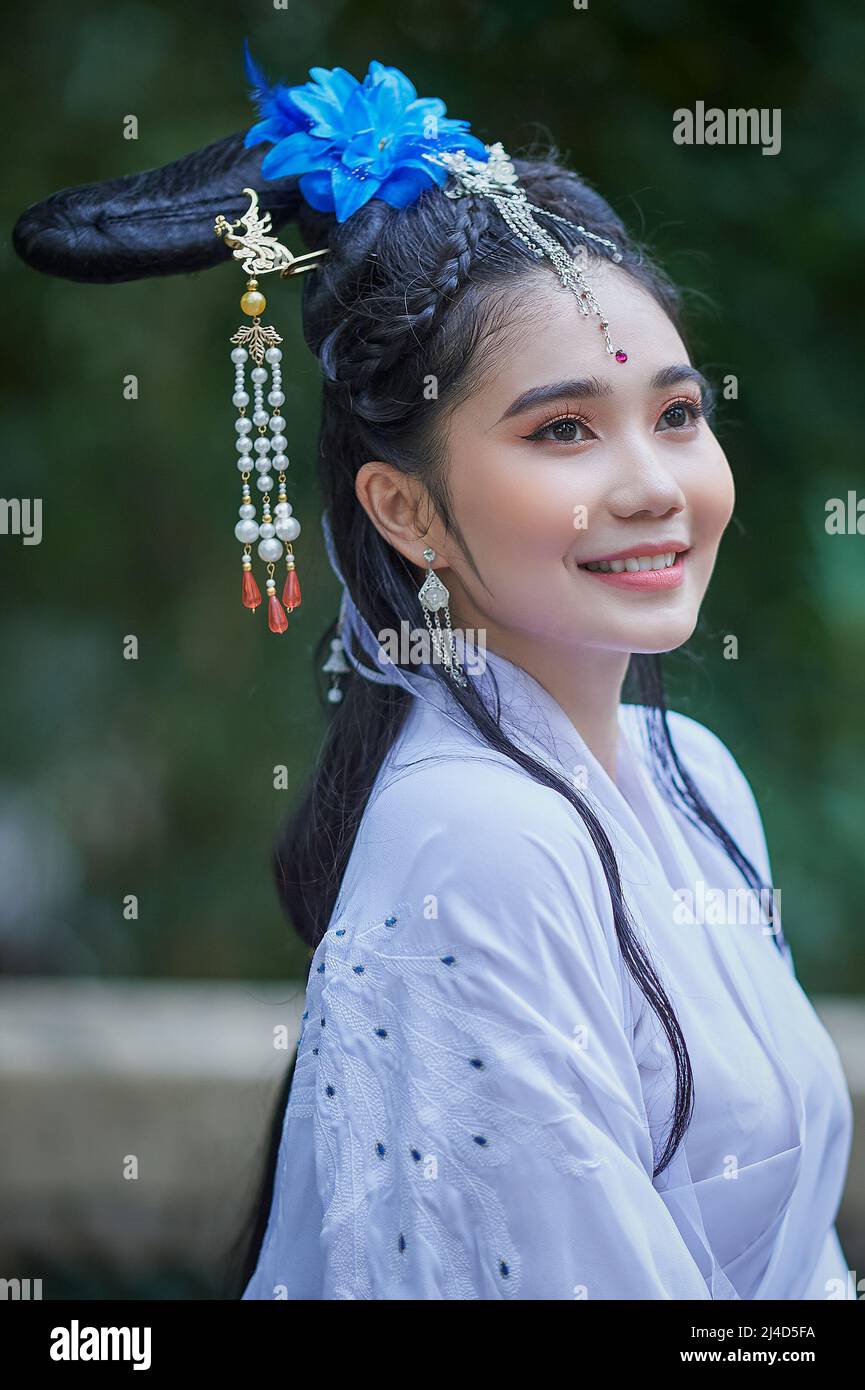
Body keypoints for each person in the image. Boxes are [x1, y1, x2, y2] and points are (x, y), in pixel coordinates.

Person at [13, 53, 853, 1301]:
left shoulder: (697, 782)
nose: (652, 485)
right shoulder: (478, 841)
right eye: (563, 429)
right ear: (403, 507)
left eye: (676, 414)